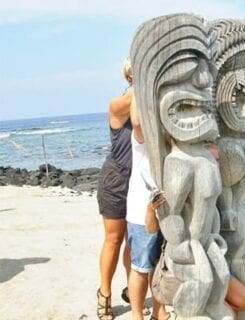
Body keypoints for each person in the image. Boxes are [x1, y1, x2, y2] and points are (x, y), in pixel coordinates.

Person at [96, 58, 139, 320]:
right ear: (130, 76)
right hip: (116, 179)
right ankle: (104, 293)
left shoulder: (150, 104)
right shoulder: (118, 105)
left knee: (134, 241)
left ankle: (130, 288)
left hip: (140, 180)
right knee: (114, 239)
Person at [207, 142, 245, 319]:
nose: (217, 166)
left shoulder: (218, 189)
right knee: (229, 314)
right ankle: (216, 306)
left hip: (218, 261)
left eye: (218, 160)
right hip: (201, 265)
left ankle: (220, 305)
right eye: (212, 160)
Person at [126, 131, 170, 320]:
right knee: (141, 267)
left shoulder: (169, 137)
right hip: (140, 212)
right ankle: (137, 315)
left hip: (168, 213)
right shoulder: (142, 137)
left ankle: (158, 310)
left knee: (161, 265)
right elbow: (137, 121)